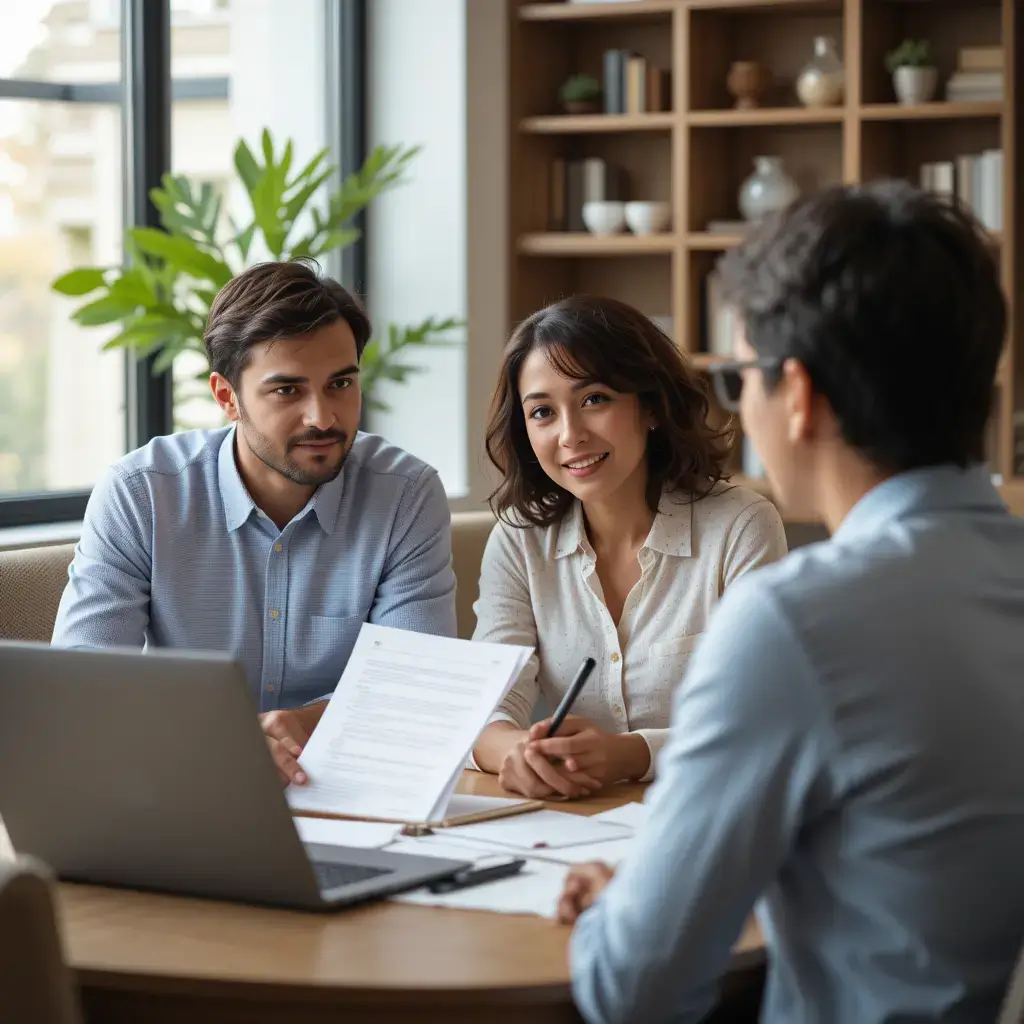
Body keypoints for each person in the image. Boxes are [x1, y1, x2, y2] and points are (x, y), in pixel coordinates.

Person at [557, 182, 1024, 1024]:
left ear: (799, 395)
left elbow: (636, 991)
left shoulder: (798, 623)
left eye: (741, 378)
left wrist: (621, 916)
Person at [52, 260, 457, 782]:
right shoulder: (142, 493)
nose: (323, 417)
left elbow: (417, 684)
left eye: (340, 383)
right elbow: (87, 685)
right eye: (287, 390)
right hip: (182, 780)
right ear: (227, 397)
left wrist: (305, 723)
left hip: (351, 783)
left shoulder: (405, 495)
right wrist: (227, 743)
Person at [470, 296, 788, 798]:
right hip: (569, 820)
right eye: (543, 412)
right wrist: (521, 754)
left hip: (712, 809)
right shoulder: (518, 538)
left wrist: (630, 755)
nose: (570, 435)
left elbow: (764, 715)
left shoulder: (741, 526)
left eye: (594, 399)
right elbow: (484, 707)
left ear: (652, 407)